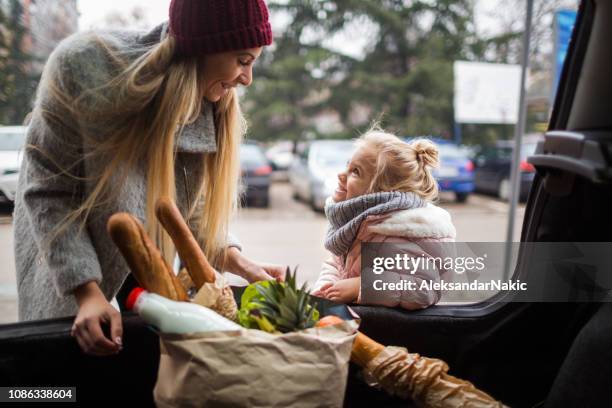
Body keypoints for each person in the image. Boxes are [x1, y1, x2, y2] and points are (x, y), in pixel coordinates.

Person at [13, 0, 284, 356]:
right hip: (68, 264)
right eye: (242, 60)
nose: (246, 78)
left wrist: (239, 262)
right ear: (204, 47)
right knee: (56, 383)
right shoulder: (81, 67)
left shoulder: (209, 97)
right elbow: (49, 192)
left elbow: (191, 205)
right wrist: (88, 292)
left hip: (142, 266)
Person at [312, 128, 456, 309]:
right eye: (348, 165)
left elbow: (425, 288)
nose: (341, 175)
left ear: (382, 192)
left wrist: (361, 286)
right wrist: (325, 290)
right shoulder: (357, 222)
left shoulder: (398, 235)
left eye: (355, 172)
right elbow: (337, 263)